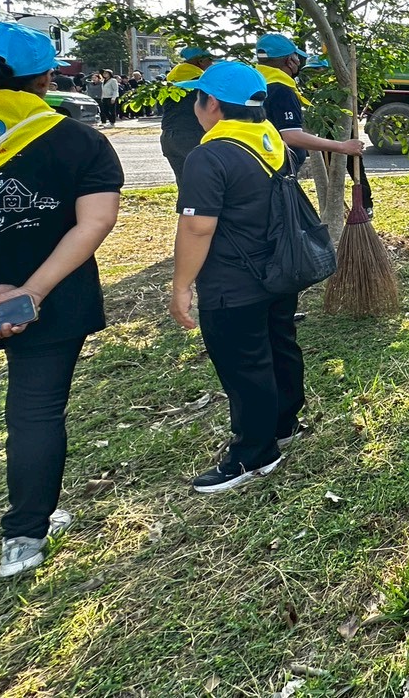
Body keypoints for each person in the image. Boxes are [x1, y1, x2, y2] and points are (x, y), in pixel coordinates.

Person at [0, 22, 123, 577]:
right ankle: (25, 537)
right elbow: (96, 221)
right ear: (45, 77)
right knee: (35, 412)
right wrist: (31, 291)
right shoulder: (79, 140)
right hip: (52, 302)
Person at [168, 61, 307, 492]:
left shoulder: (210, 155)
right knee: (280, 345)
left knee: (245, 366)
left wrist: (181, 284)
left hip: (231, 283)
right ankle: (284, 423)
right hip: (279, 271)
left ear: (211, 104)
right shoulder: (274, 144)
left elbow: (197, 227)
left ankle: (255, 453)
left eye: (198, 96)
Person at [254, 34, 364, 170]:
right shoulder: (281, 90)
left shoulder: (256, 85)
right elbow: (291, 136)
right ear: (290, 61)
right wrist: (342, 146)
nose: (299, 62)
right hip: (274, 169)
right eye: (296, 57)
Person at [161, 45, 216, 185]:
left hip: (169, 137)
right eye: (210, 59)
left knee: (184, 184)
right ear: (201, 61)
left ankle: (184, 207)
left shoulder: (171, 82)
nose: (212, 63)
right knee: (204, 184)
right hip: (192, 135)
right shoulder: (202, 82)